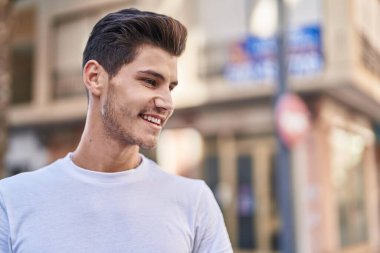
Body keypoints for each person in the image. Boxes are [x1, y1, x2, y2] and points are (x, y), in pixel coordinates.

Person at [0, 8, 232, 253]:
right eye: (150, 82)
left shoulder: (194, 202)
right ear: (95, 77)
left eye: (170, 88)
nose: (167, 103)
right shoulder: (13, 200)